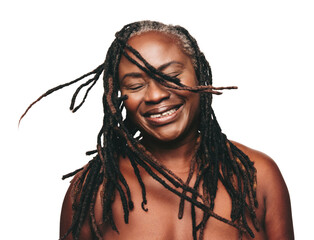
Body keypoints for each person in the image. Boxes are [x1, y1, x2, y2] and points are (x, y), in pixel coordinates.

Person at [20, 20, 294, 240]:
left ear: (200, 74)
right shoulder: (94, 190)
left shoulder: (256, 176)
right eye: (136, 85)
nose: (154, 96)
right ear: (117, 96)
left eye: (170, 77)